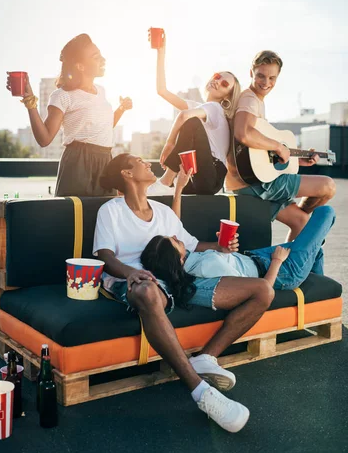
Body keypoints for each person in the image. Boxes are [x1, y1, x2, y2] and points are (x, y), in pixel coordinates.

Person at [93, 153, 278, 433]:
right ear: (126, 174)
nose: (147, 163)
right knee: (147, 292)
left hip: (178, 278)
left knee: (263, 291)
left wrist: (221, 247)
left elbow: (192, 245)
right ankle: (201, 391)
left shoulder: (164, 213)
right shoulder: (112, 210)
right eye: (139, 161)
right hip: (134, 281)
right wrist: (130, 273)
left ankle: (207, 357)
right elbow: (104, 255)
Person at [226, 50, 336, 240]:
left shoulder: (256, 101)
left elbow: (255, 154)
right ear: (251, 73)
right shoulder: (250, 99)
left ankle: (286, 266)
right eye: (260, 75)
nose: (266, 82)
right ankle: (303, 218)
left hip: (249, 181)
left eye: (272, 77)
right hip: (255, 185)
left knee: (301, 222)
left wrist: (296, 161)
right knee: (328, 186)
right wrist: (278, 146)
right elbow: (243, 133)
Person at [6, 33, 132, 196]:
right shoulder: (62, 95)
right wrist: (29, 101)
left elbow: (102, 128)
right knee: (75, 217)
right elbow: (44, 139)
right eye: (96, 57)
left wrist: (121, 109)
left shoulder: (101, 91)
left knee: (104, 217)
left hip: (105, 161)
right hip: (79, 162)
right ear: (80, 66)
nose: (103, 60)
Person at [141, 205, 335, 302]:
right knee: (325, 211)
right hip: (281, 272)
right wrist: (277, 261)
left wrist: (222, 249)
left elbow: (177, 220)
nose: (176, 236)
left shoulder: (190, 258)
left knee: (315, 251)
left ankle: (318, 299)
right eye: (173, 241)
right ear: (177, 258)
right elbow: (261, 289)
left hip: (258, 257)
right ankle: (312, 286)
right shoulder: (205, 267)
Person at [151, 33, 241, 195]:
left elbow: (184, 116)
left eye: (224, 83)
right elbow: (162, 91)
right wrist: (161, 53)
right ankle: (171, 184)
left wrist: (170, 144)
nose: (217, 81)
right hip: (200, 176)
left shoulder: (215, 108)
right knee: (191, 121)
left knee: (191, 122)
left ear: (227, 96)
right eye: (217, 76)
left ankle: (166, 181)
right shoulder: (201, 108)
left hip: (212, 174)